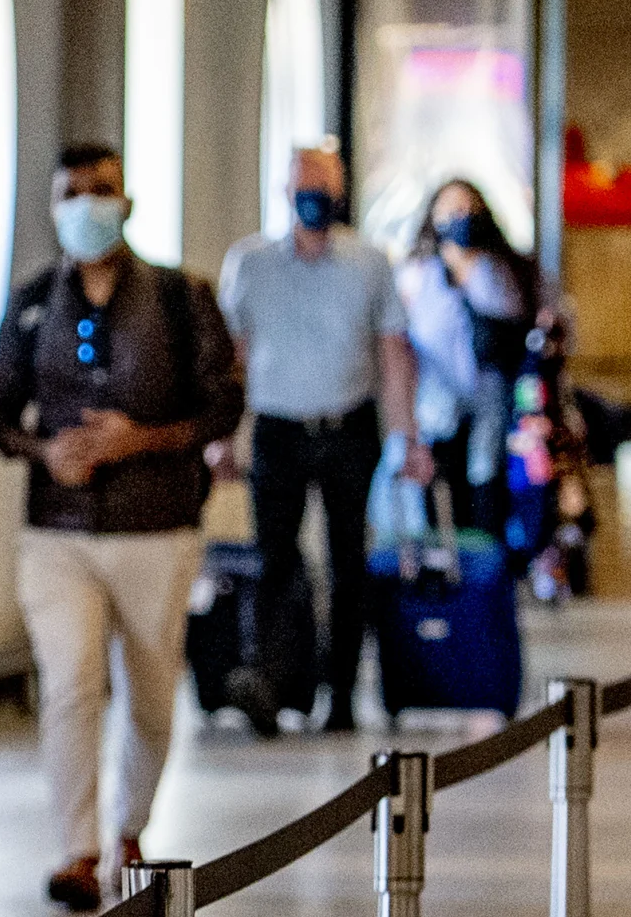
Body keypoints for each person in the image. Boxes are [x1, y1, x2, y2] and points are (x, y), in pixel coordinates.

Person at [0, 144, 244, 911]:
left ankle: (132, 823)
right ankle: (78, 849)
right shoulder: (33, 303)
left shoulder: (176, 297)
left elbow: (222, 404)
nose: (89, 204)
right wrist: (45, 450)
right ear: (53, 204)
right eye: (73, 192)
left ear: (128, 203)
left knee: (153, 691)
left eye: (104, 190)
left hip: (155, 526)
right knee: (69, 685)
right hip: (58, 529)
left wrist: (143, 438)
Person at [215, 142, 423, 733]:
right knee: (276, 560)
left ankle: (341, 695)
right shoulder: (250, 264)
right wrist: (225, 437)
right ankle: (277, 684)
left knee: (347, 562)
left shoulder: (369, 264)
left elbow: (393, 355)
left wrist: (408, 436)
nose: (315, 199)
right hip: (279, 428)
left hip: (349, 425)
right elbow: (236, 356)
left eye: (325, 189)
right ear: (285, 192)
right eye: (305, 187)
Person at [395, 180, 583, 596]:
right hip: (436, 400)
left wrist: (475, 266)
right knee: (438, 479)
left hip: (494, 396)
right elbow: (404, 341)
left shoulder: (505, 271)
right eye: (450, 210)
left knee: (486, 473)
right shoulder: (417, 275)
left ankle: (488, 573)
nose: (461, 219)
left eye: (469, 209)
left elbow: (525, 322)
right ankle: (442, 570)